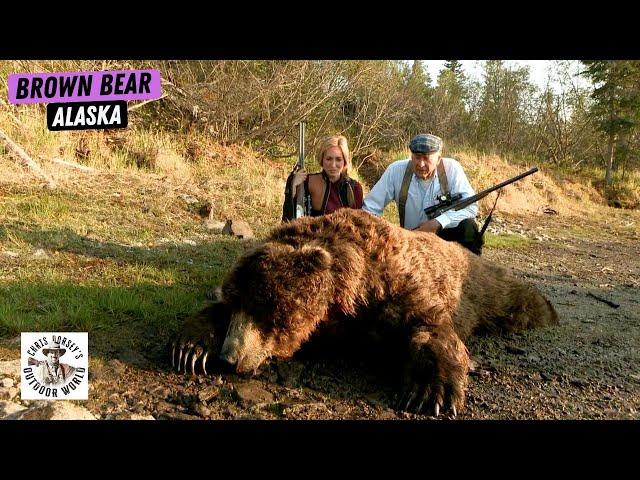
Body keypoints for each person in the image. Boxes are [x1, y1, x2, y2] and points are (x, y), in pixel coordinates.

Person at [362, 133, 484, 255]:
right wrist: (384, 234)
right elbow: (369, 209)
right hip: (410, 244)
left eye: (426, 158)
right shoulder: (396, 170)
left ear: (438, 159)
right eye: (417, 157)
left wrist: (439, 222)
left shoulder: (452, 169)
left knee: (469, 227)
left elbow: (471, 207)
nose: (421, 164)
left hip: (446, 242)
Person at [282, 135, 363, 221]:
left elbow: (358, 226)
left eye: (338, 159)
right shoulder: (307, 181)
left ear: (345, 161)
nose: (333, 165)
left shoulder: (355, 188)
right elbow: (291, 216)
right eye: (329, 159)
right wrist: (293, 185)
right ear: (322, 159)